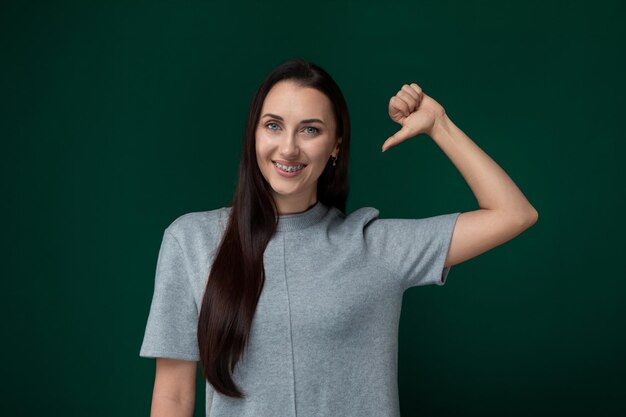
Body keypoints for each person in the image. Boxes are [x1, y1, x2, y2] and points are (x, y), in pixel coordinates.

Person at [139, 58, 538, 417]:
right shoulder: (190, 241)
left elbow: (514, 214)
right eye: (273, 125)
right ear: (254, 134)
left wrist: (439, 125)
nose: (288, 147)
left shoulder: (376, 247)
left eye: (310, 130)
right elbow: (172, 396)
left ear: (335, 146)